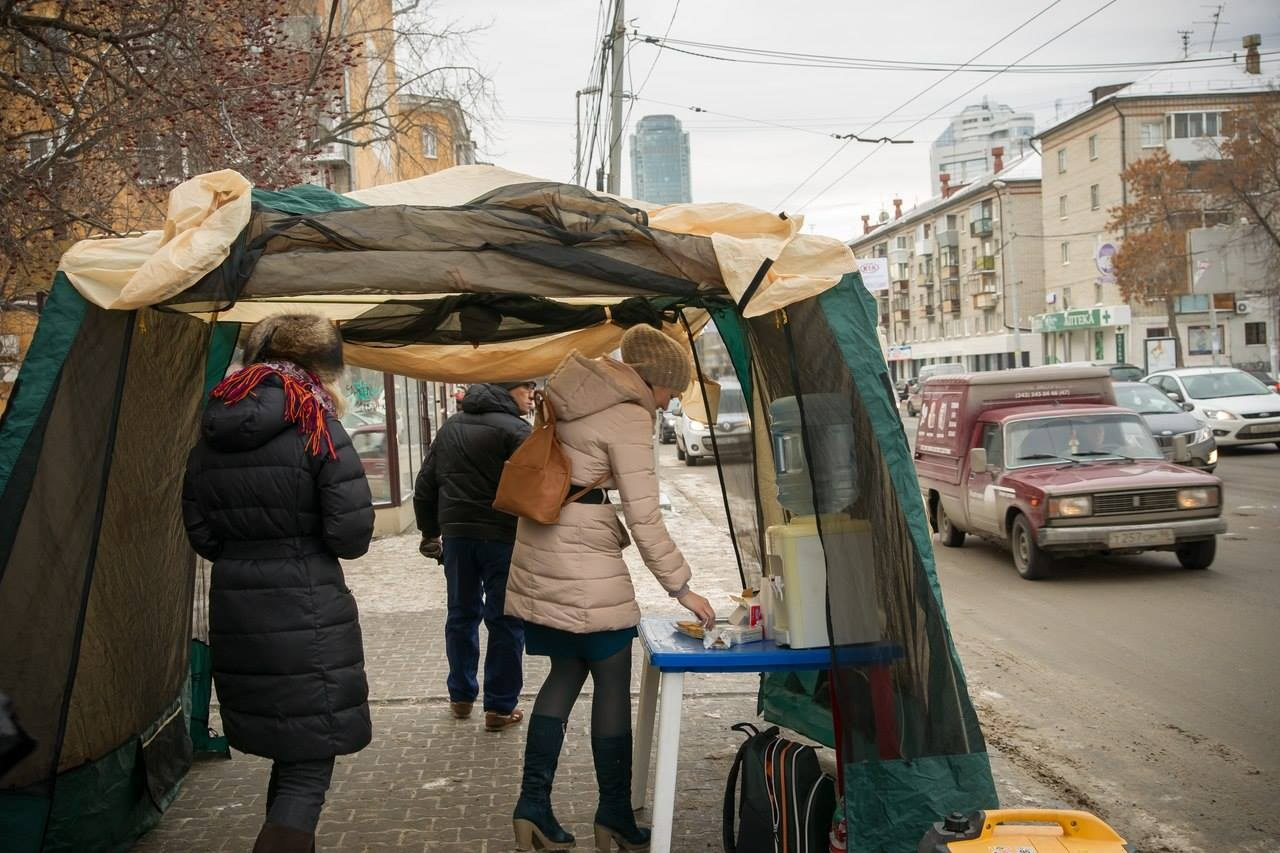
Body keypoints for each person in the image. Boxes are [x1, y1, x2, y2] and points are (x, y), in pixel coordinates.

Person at [505, 325, 717, 852]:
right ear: (652, 381)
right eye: (670, 391)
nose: (669, 402)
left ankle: (533, 809)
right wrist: (682, 589)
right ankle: (615, 818)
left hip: (542, 546)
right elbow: (644, 517)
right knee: (612, 678)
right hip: (585, 560)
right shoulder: (629, 413)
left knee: (564, 673)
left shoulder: (572, 395)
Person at [182, 313, 375, 853]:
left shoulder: (212, 424)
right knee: (310, 759)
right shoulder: (314, 422)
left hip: (238, 607)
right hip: (306, 604)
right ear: (321, 365)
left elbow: (201, 533)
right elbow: (351, 534)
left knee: (295, 751)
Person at [414, 380, 537, 731]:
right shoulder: (517, 430)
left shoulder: (451, 427)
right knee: (505, 620)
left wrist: (429, 533)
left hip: (458, 537)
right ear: (506, 391)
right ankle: (499, 708)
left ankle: (461, 697)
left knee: (461, 614)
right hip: (504, 537)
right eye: (524, 388)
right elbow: (537, 485)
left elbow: (425, 485)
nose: (530, 394)